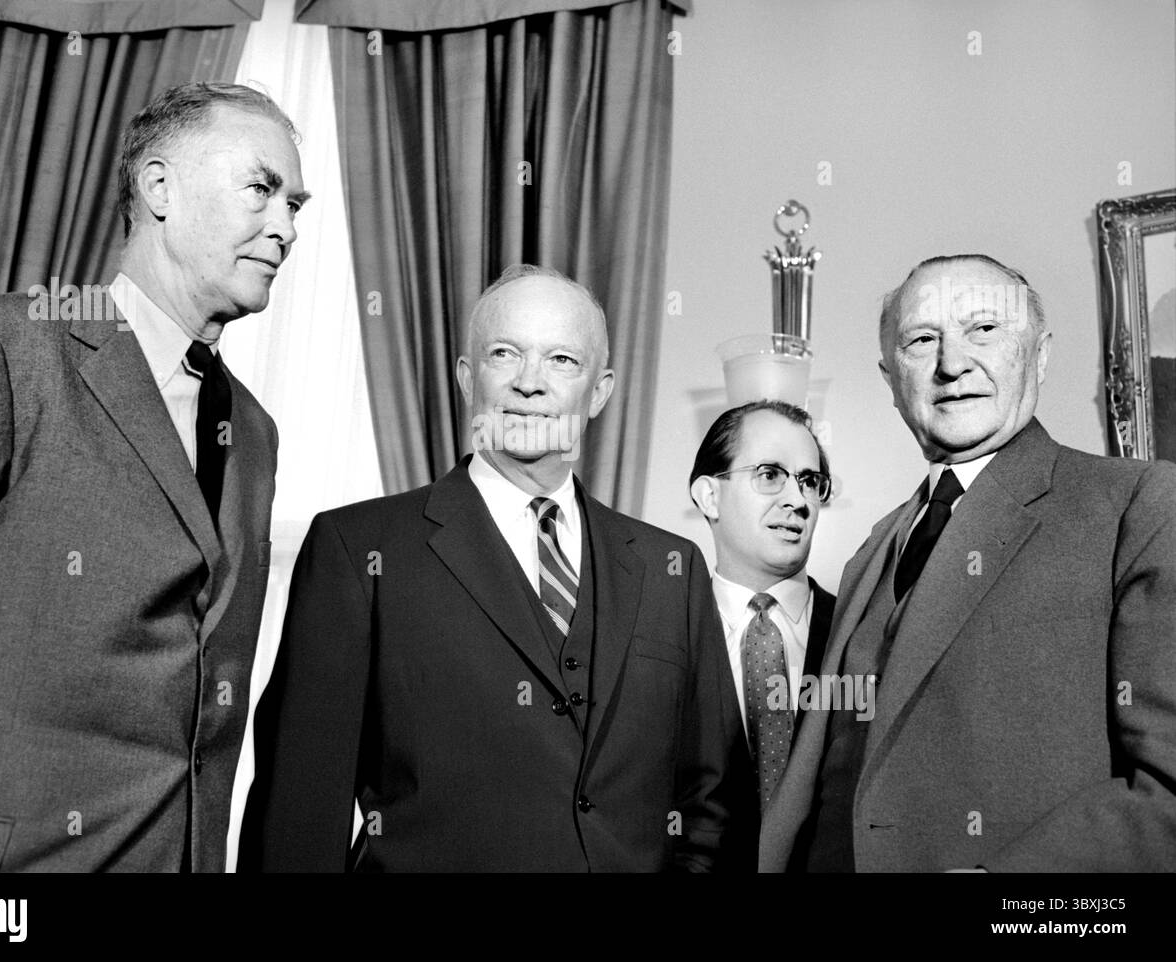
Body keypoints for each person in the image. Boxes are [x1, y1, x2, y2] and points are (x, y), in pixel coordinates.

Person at [0, 81, 307, 872]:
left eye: (296, 207)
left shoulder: (256, 430)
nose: (284, 228)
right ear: (158, 188)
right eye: (262, 189)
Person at [242, 264, 745, 872]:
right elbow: (300, 811)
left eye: (563, 360)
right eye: (505, 353)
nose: (530, 383)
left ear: (601, 391)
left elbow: (714, 806)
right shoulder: (358, 550)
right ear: (465, 376)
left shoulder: (674, 568)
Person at [760, 253, 1176, 872]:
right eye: (923, 340)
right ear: (890, 379)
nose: (953, 364)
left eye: (984, 329)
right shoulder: (872, 548)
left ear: (1038, 355)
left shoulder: (1136, 505)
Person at [688, 401, 836, 815]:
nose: (797, 499)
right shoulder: (662, 635)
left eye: (809, 481)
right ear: (709, 496)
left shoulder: (860, 633)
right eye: (770, 475)